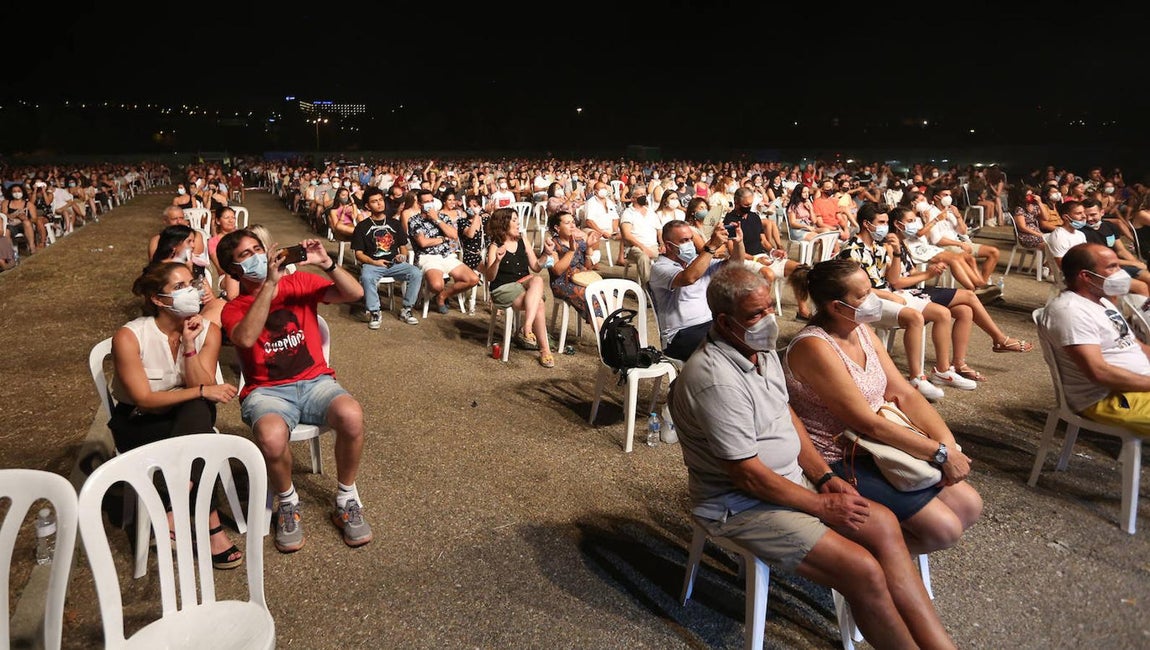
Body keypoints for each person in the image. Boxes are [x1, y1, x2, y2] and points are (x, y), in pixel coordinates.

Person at [668, 263, 957, 650]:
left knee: (885, 525)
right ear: (724, 321)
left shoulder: (758, 350)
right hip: (742, 505)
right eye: (756, 314)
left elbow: (786, 416)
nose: (769, 319)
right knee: (863, 570)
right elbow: (748, 477)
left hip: (791, 482)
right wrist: (822, 505)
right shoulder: (715, 379)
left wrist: (823, 476)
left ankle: (940, 645)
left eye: (770, 307)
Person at [785, 258, 984, 554]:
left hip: (881, 445)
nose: (873, 298)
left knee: (969, 506)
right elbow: (866, 421)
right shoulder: (815, 346)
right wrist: (938, 454)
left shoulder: (861, 329)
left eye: (870, 289)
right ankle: (868, 566)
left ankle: (883, 557)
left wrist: (947, 442)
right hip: (843, 456)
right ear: (835, 306)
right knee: (944, 530)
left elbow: (903, 392)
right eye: (862, 295)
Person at [216, 229, 372, 552]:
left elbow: (355, 293)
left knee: (352, 415)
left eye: (258, 248)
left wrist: (327, 264)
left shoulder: (297, 284)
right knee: (272, 438)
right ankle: (287, 502)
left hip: (316, 382)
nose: (258, 256)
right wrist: (269, 285)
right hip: (267, 392)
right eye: (246, 255)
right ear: (234, 271)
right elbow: (244, 339)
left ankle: (346, 498)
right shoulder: (233, 307)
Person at [108, 261, 243, 570]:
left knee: (197, 413)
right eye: (179, 288)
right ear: (158, 299)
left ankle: (176, 500)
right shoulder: (130, 336)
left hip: (184, 419)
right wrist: (200, 392)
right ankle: (211, 531)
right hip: (139, 421)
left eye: (191, 284)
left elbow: (201, 382)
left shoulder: (208, 331)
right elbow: (145, 399)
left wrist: (188, 345)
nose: (190, 292)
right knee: (201, 430)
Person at [1040, 242, 1150, 436]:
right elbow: (1098, 372)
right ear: (1086, 276)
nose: (1120, 272)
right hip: (1108, 398)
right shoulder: (1070, 311)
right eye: (1112, 267)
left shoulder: (1103, 301)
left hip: (1137, 387)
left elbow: (1136, 345)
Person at [648, 220, 739, 361]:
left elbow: (736, 265)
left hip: (709, 325)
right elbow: (689, 277)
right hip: (680, 334)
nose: (690, 244)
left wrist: (738, 243)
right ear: (669, 246)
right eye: (684, 240)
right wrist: (712, 246)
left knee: (748, 337)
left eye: (691, 239)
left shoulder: (698, 261)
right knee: (726, 352)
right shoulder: (660, 267)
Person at [484, 207, 556, 368]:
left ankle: (527, 326)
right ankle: (545, 350)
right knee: (539, 304)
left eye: (518, 220)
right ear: (503, 224)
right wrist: (497, 261)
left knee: (537, 280)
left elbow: (536, 267)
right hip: (504, 288)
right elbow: (490, 277)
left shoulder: (523, 240)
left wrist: (546, 253)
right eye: (514, 220)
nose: (518, 223)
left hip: (525, 283)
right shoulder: (495, 246)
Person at [351, 187, 422, 328]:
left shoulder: (394, 223)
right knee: (366, 277)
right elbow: (358, 254)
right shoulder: (362, 227)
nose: (379, 203)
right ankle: (375, 311)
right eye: (374, 201)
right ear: (367, 206)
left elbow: (403, 246)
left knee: (416, 273)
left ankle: (407, 309)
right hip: (373, 263)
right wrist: (373, 262)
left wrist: (402, 256)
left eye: (381, 200)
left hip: (395, 263)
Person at [409, 188, 479, 315]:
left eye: (431, 201)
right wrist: (442, 238)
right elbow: (423, 243)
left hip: (447, 255)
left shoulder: (442, 217)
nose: (430, 204)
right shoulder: (414, 220)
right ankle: (439, 293)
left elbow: (453, 235)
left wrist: (437, 220)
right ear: (419, 204)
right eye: (426, 202)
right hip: (428, 257)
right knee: (437, 286)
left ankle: (442, 297)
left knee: (473, 279)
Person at [546, 210, 597, 326]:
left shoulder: (579, 241)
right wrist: (571, 251)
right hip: (562, 282)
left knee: (608, 293)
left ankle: (614, 330)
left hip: (581, 279)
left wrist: (589, 247)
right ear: (557, 228)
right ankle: (604, 335)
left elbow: (588, 268)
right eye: (568, 223)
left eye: (573, 222)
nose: (573, 226)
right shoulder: (552, 244)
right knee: (592, 297)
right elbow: (557, 270)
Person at [618, 184, 662, 286]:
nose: (643, 196)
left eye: (644, 194)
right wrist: (643, 247)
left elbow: (659, 231)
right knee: (643, 257)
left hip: (653, 246)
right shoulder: (628, 213)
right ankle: (648, 288)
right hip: (635, 248)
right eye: (640, 194)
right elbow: (627, 235)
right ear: (633, 198)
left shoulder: (651, 213)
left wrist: (663, 244)